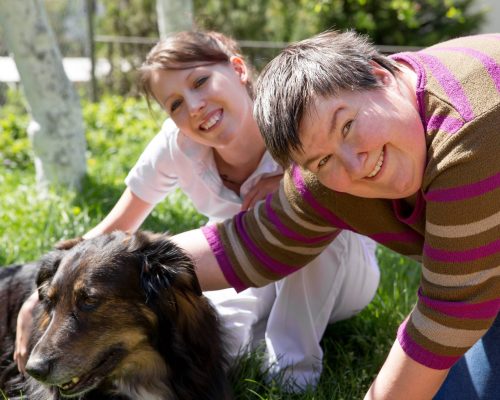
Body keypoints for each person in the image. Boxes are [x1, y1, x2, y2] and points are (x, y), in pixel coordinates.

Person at [15, 31, 380, 391]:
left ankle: (293, 375)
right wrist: (39, 299)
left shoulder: (288, 117)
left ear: (237, 68)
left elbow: (349, 178)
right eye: (174, 104)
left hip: (339, 271)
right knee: (215, 343)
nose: (193, 105)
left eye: (201, 81)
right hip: (248, 263)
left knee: (311, 226)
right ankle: (259, 345)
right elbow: (114, 228)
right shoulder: (178, 145)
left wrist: (296, 185)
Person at [160, 30, 499, 399]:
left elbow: (449, 313)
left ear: (380, 76)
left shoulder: (471, 133)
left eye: (348, 125)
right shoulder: (330, 172)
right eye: (323, 160)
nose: (355, 164)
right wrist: (132, 266)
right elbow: (254, 243)